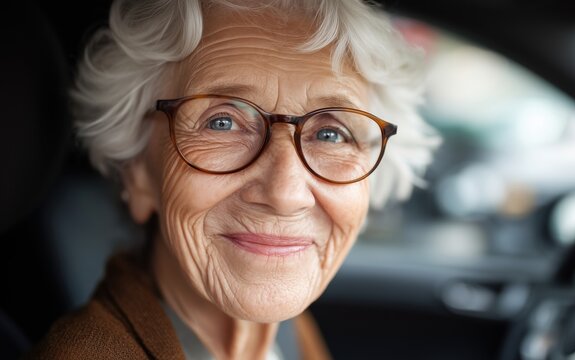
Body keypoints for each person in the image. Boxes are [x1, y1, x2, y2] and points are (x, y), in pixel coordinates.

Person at [28, 0, 436, 358]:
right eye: (222, 123)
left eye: (330, 134)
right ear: (137, 171)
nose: (285, 193)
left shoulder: (287, 335)